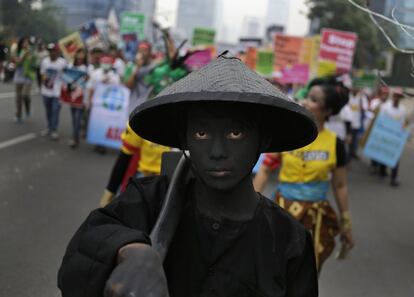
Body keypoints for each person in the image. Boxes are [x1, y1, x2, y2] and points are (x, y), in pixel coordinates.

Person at [58, 54, 319, 297]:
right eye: (201, 134)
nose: (217, 152)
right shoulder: (150, 201)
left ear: (263, 139)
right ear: (184, 139)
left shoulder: (289, 239)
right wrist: (130, 251)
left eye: (235, 134)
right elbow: (85, 247)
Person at [254, 76, 354, 272]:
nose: (306, 101)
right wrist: (249, 208)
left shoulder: (336, 144)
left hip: (315, 220)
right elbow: (265, 169)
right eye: (307, 96)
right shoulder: (288, 135)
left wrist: (346, 221)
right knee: (275, 269)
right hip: (282, 213)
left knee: (307, 272)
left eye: (314, 99)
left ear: (328, 111)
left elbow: (340, 185)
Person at [99, 123, 171, 207]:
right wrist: (110, 191)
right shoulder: (140, 120)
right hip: (145, 182)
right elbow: (124, 159)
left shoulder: (186, 119)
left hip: (175, 183)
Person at [378, 88, 408, 187]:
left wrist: (404, 132)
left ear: (401, 98)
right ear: (393, 96)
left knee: (395, 157)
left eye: (399, 97)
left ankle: (393, 178)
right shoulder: (385, 107)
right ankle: (382, 170)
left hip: (396, 137)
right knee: (384, 154)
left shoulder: (403, 110)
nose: (396, 98)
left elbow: (403, 123)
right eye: (395, 96)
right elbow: (381, 121)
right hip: (386, 135)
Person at [40, 43, 67, 140]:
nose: (52, 53)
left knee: (55, 110)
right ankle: (49, 127)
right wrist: (44, 79)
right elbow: (42, 73)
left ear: (58, 52)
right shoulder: (45, 61)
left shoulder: (63, 62)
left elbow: (66, 75)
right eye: (50, 51)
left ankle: (54, 130)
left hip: (57, 92)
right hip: (46, 91)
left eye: (54, 51)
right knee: (48, 111)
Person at [64, 48, 88, 148]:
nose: (80, 56)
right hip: (72, 96)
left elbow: (90, 80)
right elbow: (66, 78)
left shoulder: (87, 67)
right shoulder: (70, 66)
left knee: (78, 117)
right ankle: (76, 135)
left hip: (82, 96)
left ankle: (75, 138)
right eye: (79, 53)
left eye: (82, 54)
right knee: (74, 118)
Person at [13, 37, 36, 123]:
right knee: (18, 98)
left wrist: (31, 57)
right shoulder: (17, 52)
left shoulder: (31, 52)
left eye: (27, 42)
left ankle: (28, 108)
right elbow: (16, 64)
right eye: (24, 42)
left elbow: (35, 64)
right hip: (18, 77)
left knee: (25, 95)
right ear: (21, 44)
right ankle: (18, 115)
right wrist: (21, 58)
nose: (25, 44)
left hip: (28, 77)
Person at [346, 87, 369, 161]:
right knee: (346, 141)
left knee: (353, 141)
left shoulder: (362, 98)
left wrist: (362, 98)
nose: (355, 89)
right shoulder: (347, 95)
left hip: (356, 124)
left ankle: (350, 156)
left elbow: (365, 108)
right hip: (347, 123)